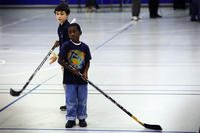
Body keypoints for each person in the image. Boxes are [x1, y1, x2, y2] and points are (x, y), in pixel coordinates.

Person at [58, 23, 92, 128]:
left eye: (74, 31)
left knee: (82, 100)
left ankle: (82, 118)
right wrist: (71, 70)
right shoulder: (66, 45)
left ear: (80, 33)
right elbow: (60, 60)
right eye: (70, 32)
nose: (72, 34)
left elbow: (87, 62)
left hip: (82, 80)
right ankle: (71, 119)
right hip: (69, 80)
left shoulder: (85, 47)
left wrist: (85, 72)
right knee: (71, 100)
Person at [50, 3, 71, 111]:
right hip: (63, 60)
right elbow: (64, 42)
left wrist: (57, 57)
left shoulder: (67, 28)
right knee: (66, 84)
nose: (59, 16)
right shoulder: (60, 27)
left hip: (69, 60)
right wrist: (59, 42)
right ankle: (69, 103)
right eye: (57, 14)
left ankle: (72, 104)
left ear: (67, 15)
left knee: (69, 84)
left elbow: (69, 46)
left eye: (62, 14)